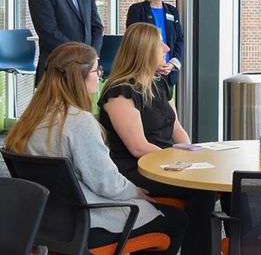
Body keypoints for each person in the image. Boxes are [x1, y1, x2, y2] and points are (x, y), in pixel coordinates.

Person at [4, 42, 186, 253]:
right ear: (78, 76)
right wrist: (136, 191)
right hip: (86, 223)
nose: (100, 75)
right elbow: (106, 183)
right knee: (176, 219)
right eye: (96, 70)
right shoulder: (78, 121)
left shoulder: (29, 121)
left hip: (44, 222)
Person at [98, 22, 213, 255]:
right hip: (138, 167)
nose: (167, 47)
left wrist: (191, 153)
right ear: (145, 50)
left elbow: (177, 129)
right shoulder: (121, 92)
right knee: (201, 190)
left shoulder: (159, 83)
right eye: (160, 43)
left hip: (164, 161)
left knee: (216, 184)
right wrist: (179, 162)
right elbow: (138, 147)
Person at [126, 0, 183, 87]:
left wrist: (172, 64)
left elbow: (179, 40)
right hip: (144, 71)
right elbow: (135, 40)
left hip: (167, 71)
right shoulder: (137, 10)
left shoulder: (172, 11)